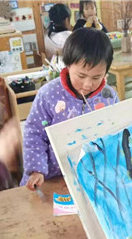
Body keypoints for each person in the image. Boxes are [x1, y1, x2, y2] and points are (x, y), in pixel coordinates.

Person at [21, 27, 118, 190]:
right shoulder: (49, 94)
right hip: (49, 177)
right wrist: (36, 170)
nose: (88, 84)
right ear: (67, 65)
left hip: (91, 180)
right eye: (81, 76)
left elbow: (115, 133)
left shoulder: (109, 97)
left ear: (106, 72)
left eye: (96, 77)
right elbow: (34, 133)